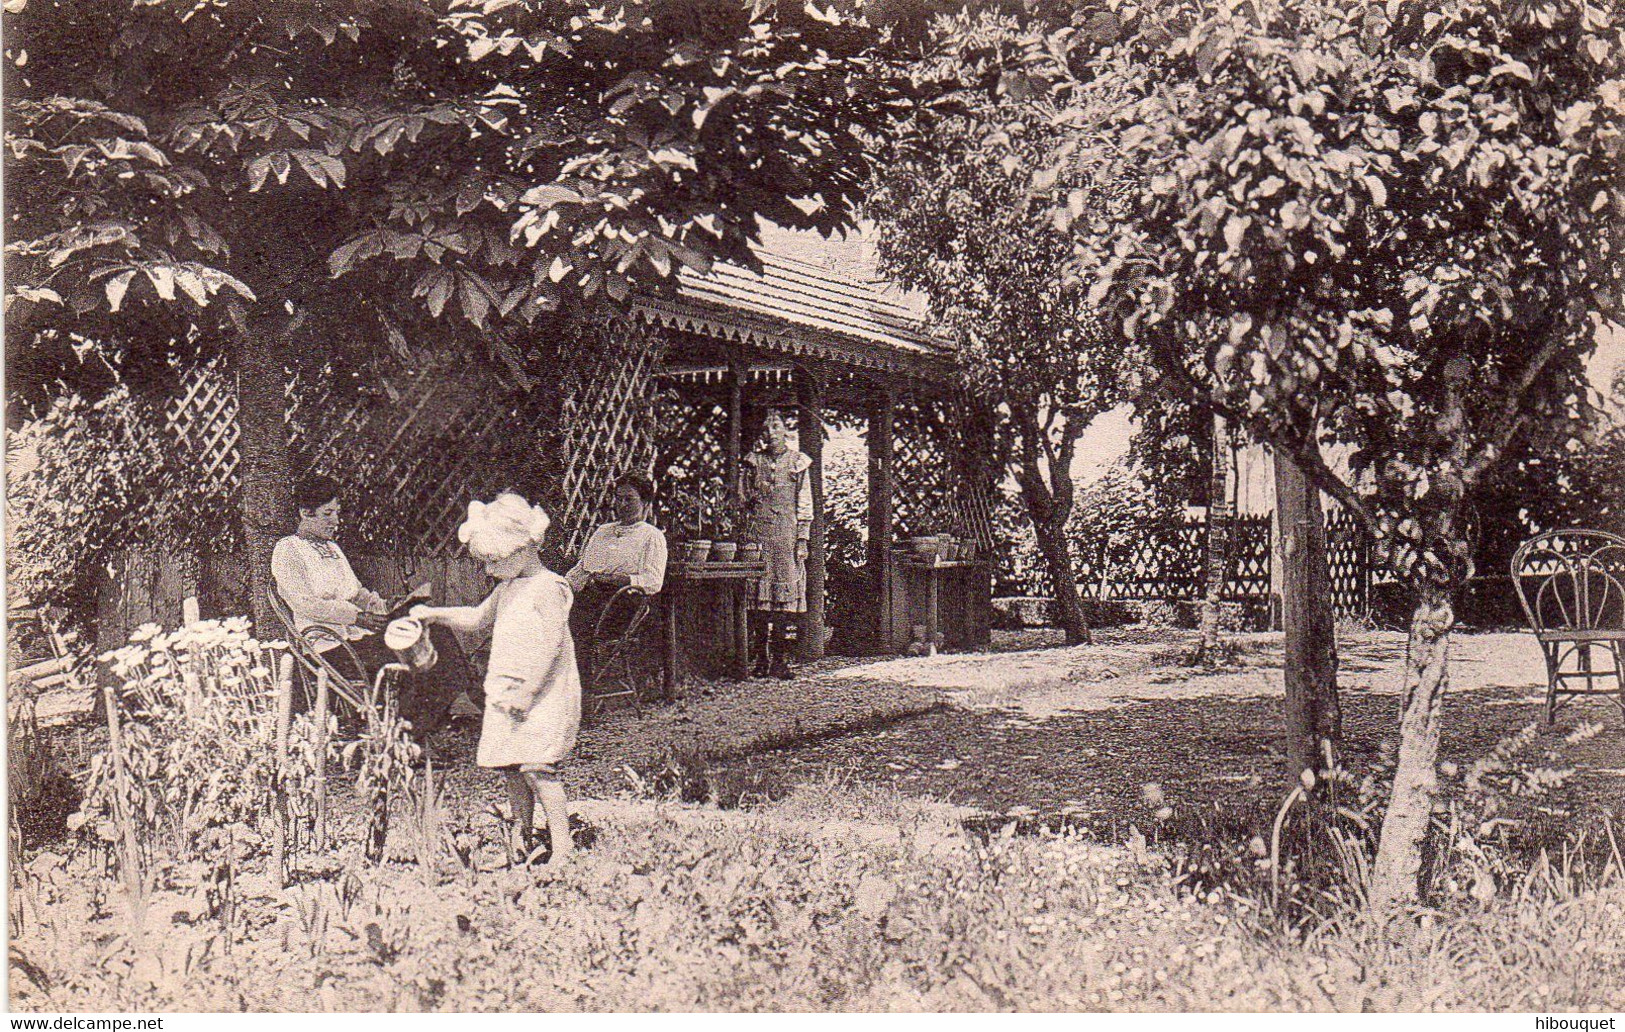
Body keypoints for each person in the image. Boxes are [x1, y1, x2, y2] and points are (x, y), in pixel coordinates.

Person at [411, 493, 579, 867]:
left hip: (541, 691)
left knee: (539, 767)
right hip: (507, 689)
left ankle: (563, 846)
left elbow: (551, 646)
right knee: (512, 766)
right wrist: (433, 615)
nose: (488, 571)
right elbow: (476, 618)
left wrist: (530, 690)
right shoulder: (508, 587)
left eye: (492, 562)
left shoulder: (550, 588)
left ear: (522, 549)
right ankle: (522, 839)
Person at [270, 474, 469, 748]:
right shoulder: (288, 551)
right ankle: (410, 737)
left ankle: (419, 728)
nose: (336, 521)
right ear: (306, 513)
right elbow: (306, 604)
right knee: (412, 653)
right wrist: (358, 617)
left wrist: (388, 605)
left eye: (337, 512)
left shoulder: (332, 549)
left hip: (357, 638)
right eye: (328, 513)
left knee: (436, 636)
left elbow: (357, 593)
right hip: (329, 647)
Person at [565, 473, 667, 682]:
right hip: (590, 597)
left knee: (572, 625)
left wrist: (618, 580)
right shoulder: (603, 532)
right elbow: (582, 569)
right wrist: (560, 587)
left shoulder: (651, 536)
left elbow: (653, 581)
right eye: (618, 498)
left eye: (629, 498)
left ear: (645, 502)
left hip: (621, 604)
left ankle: (581, 691)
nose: (621, 504)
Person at [742, 409, 812, 679]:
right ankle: (761, 659)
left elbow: (805, 503)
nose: (771, 432)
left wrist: (802, 539)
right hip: (758, 535)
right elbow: (743, 500)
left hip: (786, 536)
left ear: (785, 430)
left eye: (776, 426)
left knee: (783, 599)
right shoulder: (753, 462)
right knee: (759, 599)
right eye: (766, 427)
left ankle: (779, 661)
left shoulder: (798, 462)